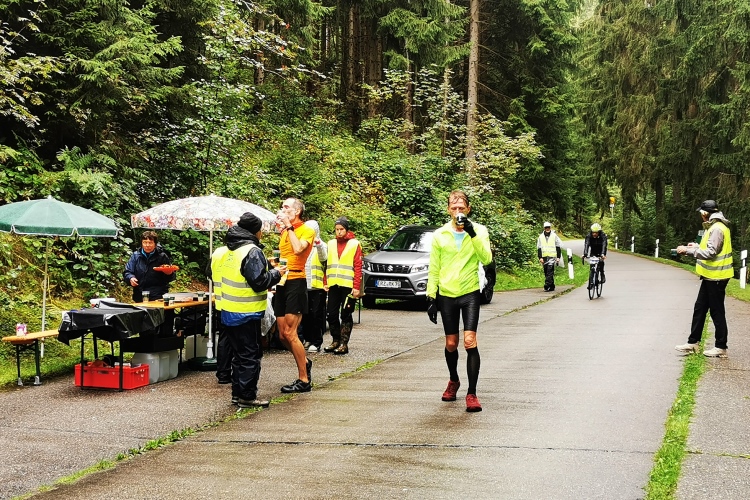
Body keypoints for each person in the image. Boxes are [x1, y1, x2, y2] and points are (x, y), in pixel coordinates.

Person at [426, 190, 493, 412]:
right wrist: (431, 296)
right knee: (451, 344)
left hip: (469, 292)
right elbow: (434, 267)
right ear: (448, 210)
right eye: (454, 208)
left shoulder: (479, 231)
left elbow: (486, 258)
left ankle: (472, 393)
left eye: (461, 208)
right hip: (447, 293)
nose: (457, 212)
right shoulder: (440, 235)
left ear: (468, 209)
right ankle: (454, 380)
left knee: (470, 341)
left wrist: (471, 233)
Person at [210, 212, 285, 408]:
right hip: (246, 312)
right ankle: (247, 396)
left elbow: (211, 273)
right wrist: (276, 274)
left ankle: (238, 394)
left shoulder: (222, 251)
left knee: (238, 355)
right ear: (256, 231)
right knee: (250, 356)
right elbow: (259, 282)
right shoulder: (252, 251)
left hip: (226, 309)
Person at [675, 200, 733, 358]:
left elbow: (711, 253)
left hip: (717, 276)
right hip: (710, 277)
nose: (701, 216)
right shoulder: (715, 227)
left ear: (705, 213)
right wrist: (695, 247)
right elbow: (708, 248)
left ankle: (721, 346)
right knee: (700, 309)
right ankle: (693, 343)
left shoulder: (717, 228)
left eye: (701, 213)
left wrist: (687, 251)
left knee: (716, 311)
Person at [274, 197, 316, 393]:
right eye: (282, 207)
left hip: (297, 281)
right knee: (282, 335)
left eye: (286, 207)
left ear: (297, 211)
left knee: (291, 333)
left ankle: (304, 380)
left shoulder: (307, 229)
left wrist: (289, 226)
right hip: (282, 281)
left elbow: (298, 250)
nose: (283, 210)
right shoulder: (284, 231)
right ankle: (304, 361)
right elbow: (284, 256)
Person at [323, 216, 363, 355]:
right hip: (333, 284)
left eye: (341, 229)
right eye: (337, 229)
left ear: (346, 230)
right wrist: (325, 281)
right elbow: (326, 264)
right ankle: (335, 340)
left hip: (348, 285)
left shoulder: (354, 244)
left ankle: (344, 344)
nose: (339, 232)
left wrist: (356, 287)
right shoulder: (330, 244)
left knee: (346, 314)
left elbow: (358, 266)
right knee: (331, 314)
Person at [123, 230, 175, 302]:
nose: (147, 245)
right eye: (145, 242)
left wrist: (169, 273)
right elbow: (128, 272)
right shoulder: (135, 256)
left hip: (158, 295)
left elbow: (170, 277)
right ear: (141, 243)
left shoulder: (162, 256)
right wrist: (131, 278)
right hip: (139, 294)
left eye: (150, 243)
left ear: (155, 244)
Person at [302, 220, 328, 353]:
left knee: (316, 315)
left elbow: (324, 258)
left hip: (317, 287)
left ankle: (317, 342)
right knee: (305, 315)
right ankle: (307, 339)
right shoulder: (303, 245)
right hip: (303, 285)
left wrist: (318, 243)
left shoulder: (321, 245)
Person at [537, 221, 562, 292]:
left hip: (552, 256)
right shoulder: (541, 236)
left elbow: (558, 247)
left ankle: (547, 285)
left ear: (550, 228)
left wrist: (558, 257)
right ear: (544, 228)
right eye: (546, 227)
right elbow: (539, 248)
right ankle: (552, 286)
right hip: (544, 257)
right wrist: (540, 257)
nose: (547, 229)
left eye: (548, 227)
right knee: (546, 272)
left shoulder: (554, 236)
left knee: (550, 271)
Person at [582, 223, 608, 289]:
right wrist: (585, 254)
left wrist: (603, 254)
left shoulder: (603, 235)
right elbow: (587, 244)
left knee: (601, 262)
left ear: (599, 232)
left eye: (596, 233)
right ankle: (591, 283)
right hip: (593, 251)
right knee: (592, 265)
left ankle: (602, 274)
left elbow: (604, 245)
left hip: (601, 250)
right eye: (593, 232)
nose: (594, 234)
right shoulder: (589, 235)